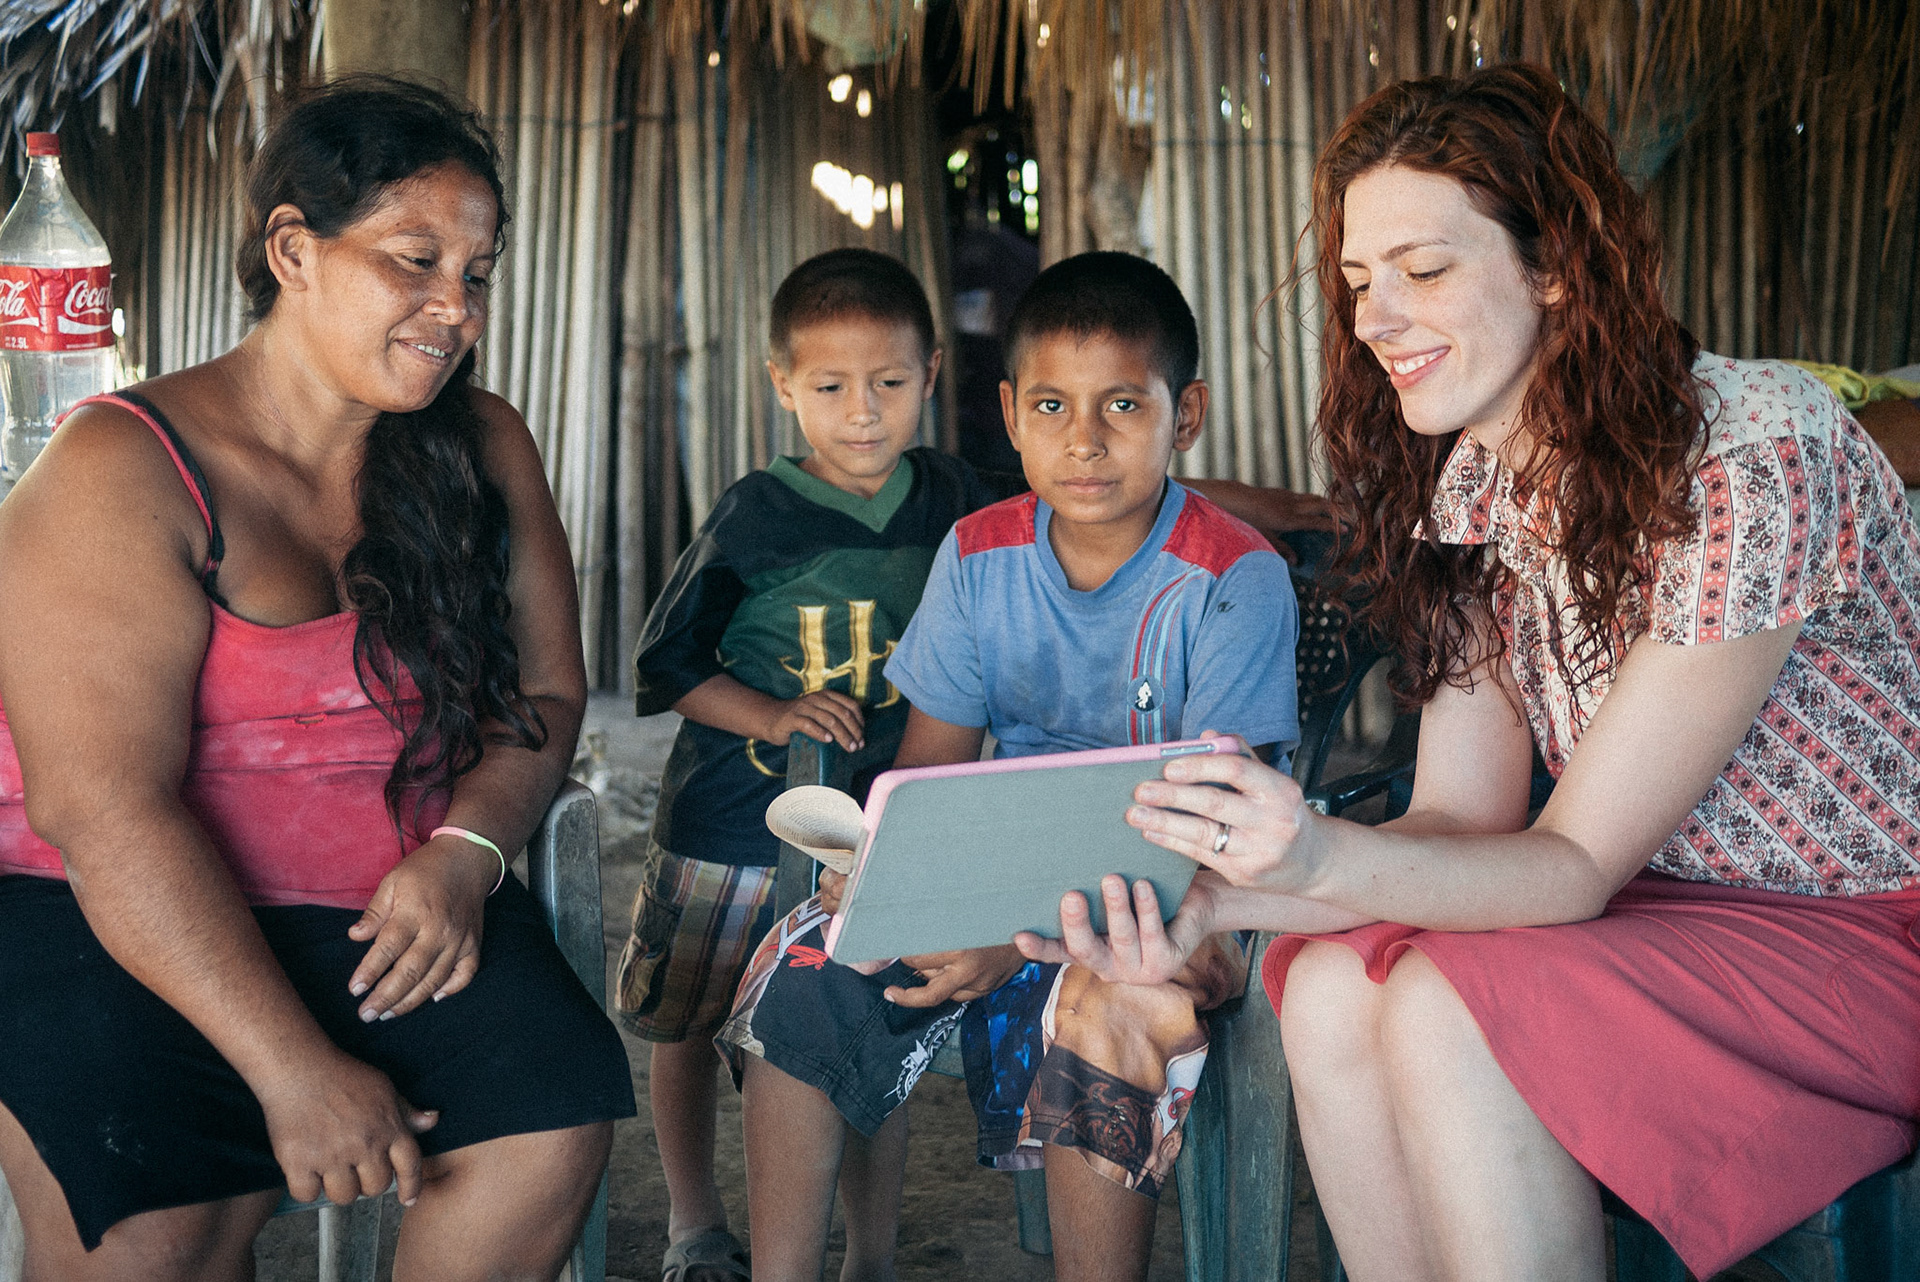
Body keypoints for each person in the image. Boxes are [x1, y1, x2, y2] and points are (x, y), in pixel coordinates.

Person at [1025, 64, 1920, 1282]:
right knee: (1331, 981)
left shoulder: (1752, 459)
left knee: (1449, 1000)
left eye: (1424, 270)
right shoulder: (1479, 486)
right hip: (1661, 916)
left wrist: (1310, 853)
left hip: (1866, 935)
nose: (1375, 317)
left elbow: (1570, 864)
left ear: (1556, 263)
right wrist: (1210, 903)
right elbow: (1458, 819)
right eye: (1356, 282)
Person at [0, 78, 635, 1282]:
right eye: (415, 260)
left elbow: (548, 697)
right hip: (120, 912)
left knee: (548, 1122)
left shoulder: (482, 442)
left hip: (392, 897)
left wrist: (468, 852)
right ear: (293, 249)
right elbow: (101, 810)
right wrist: (291, 1068)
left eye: (478, 271)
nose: (456, 309)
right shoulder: (120, 471)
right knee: (164, 1228)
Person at [719, 251, 1302, 1282]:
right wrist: (937, 902)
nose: (1084, 438)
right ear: (1009, 413)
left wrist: (1005, 930)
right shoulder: (978, 552)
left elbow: (1215, 830)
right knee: (812, 959)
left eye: (1123, 402)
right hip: (995, 875)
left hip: (1179, 901)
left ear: (1189, 412)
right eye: (1051, 405)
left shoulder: (1234, 574)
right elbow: (933, 774)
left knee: (1110, 996)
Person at [614, 247, 995, 1282]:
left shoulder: (957, 498)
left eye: (889, 383)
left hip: (873, 834)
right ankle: (696, 1225)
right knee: (690, 1018)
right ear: (784, 386)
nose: (862, 411)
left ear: (931, 379)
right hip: (729, 818)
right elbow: (668, 666)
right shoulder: (754, 513)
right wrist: (775, 712)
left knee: (855, 1034)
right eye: (830, 387)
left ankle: (868, 1254)